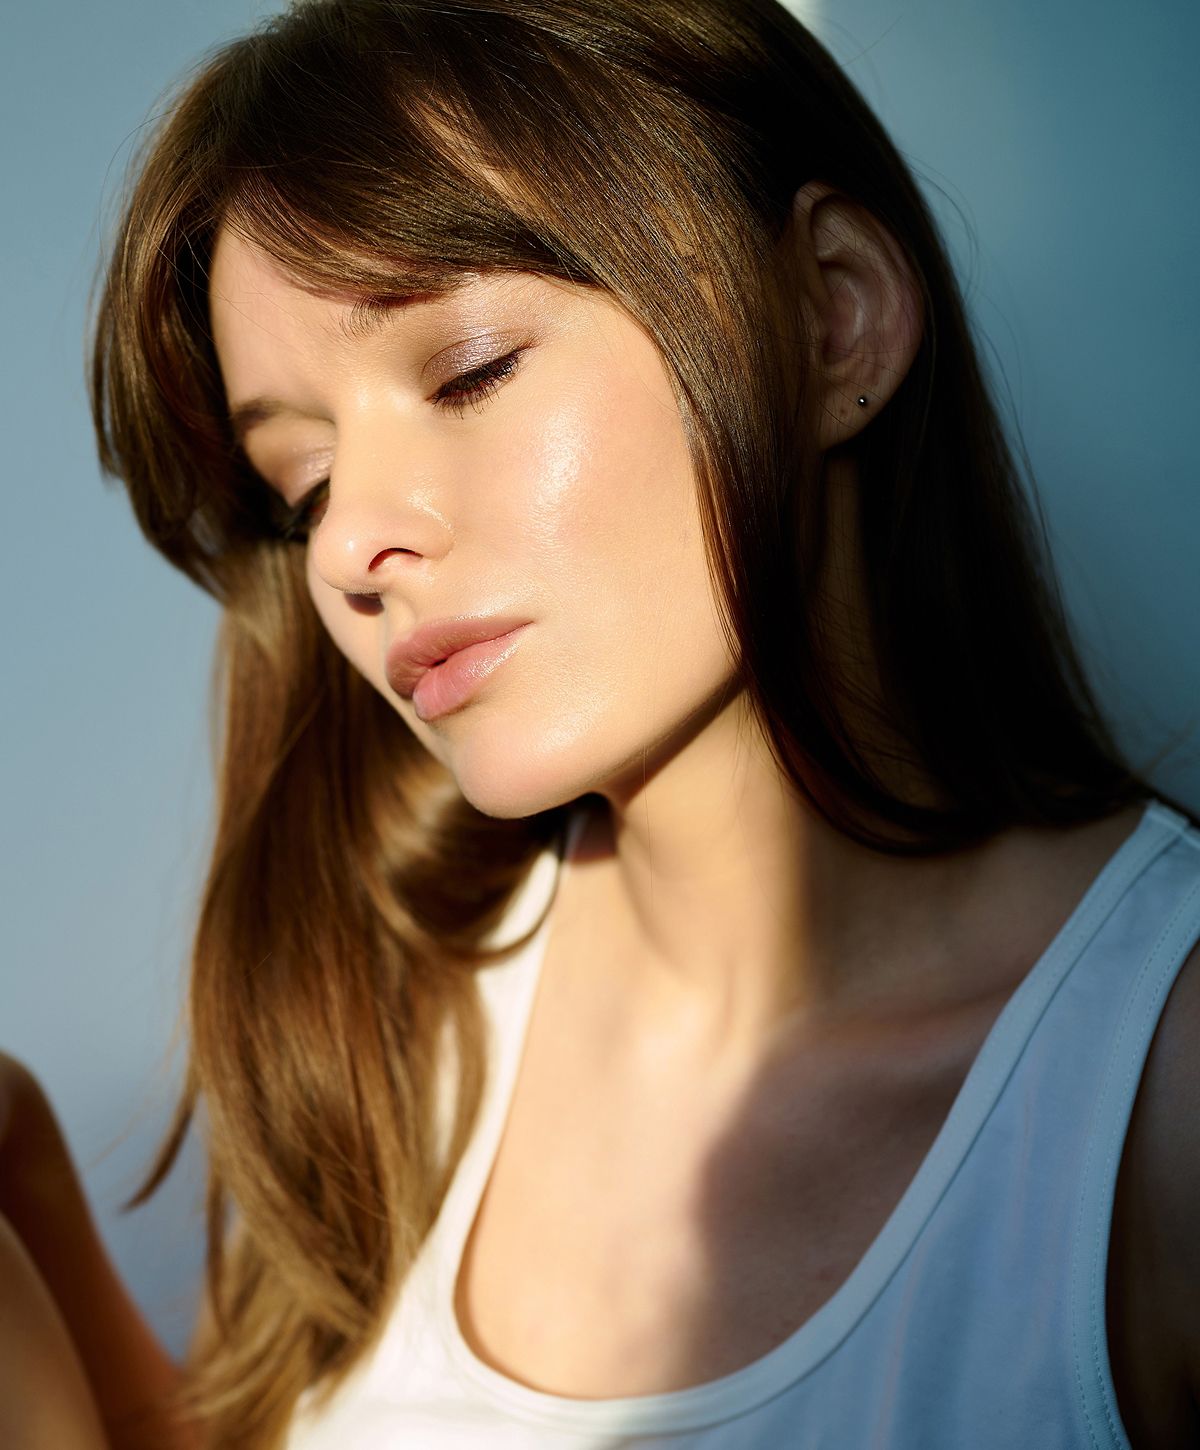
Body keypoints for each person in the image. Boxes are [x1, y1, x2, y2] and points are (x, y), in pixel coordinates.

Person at [1, 0, 1197, 1445]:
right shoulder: (395, 1013)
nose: (348, 544)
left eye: (471, 371)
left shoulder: (1159, 1096)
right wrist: (35, 1199)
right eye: (303, 480)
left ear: (831, 312)